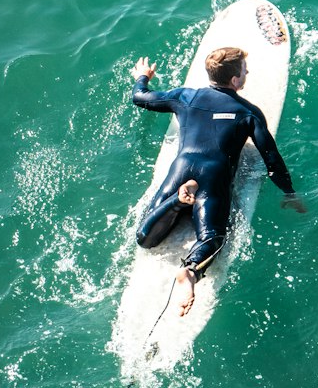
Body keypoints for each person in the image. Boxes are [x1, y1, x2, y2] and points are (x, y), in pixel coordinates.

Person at [131, 45, 306, 316]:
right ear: (235, 80)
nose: (248, 73)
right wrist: (289, 192)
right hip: (214, 178)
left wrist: (143, 77)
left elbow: (140, 98)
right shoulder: (248, 112)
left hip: (181, 169)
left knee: (144, 238)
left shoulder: (185, 97)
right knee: (213, 238)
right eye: (245, 70)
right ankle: (189, 272)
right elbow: (271, 159)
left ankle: (178, 202)